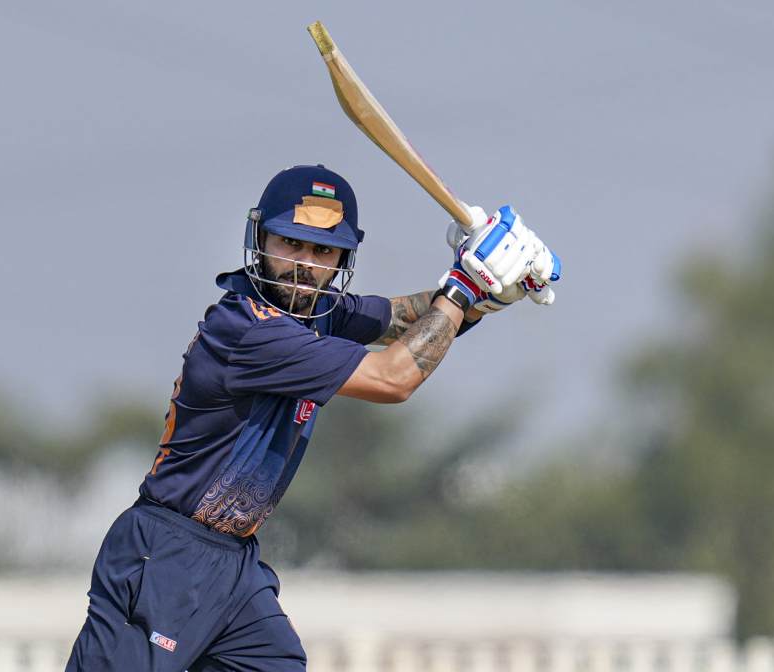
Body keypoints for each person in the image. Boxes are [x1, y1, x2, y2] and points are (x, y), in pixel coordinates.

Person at [64, 164, 560, 671]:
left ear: (342, 257)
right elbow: (396, 377)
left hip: (233, 565)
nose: (303, 265)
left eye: (322, 251)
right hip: (166, 556)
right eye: (291, 244)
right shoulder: (247, 330)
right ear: (260, 240)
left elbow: (405, 321)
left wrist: (487, 294)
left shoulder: (318, 315)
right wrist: (463, 285)